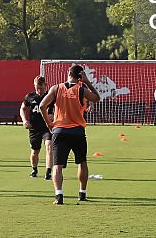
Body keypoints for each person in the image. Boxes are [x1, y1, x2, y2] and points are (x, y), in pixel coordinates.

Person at [39, 63, 102, 205]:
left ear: (68, 74)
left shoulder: (57, 88)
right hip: (77, 131)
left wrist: (49, 123)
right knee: (82, 162)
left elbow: (42, 105)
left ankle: (59, 195)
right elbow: (97, 98)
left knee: (57, 165)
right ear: (80, 76)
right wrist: (87, 82)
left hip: (59, 130)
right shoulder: (81, 90)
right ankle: (82, 193)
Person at [20, 75, 54, 179]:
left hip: (47, 127)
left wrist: (54, 116)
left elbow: (58, 108)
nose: (38, 90)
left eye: (41, 87)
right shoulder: (30, 97)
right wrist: (24, 120)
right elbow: (22, 109)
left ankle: (48, 172)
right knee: (35, 151)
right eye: (36, 87)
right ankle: (34, 169)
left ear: (45, 85)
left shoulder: (50, 96)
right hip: (34, 128)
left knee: (49, 146)